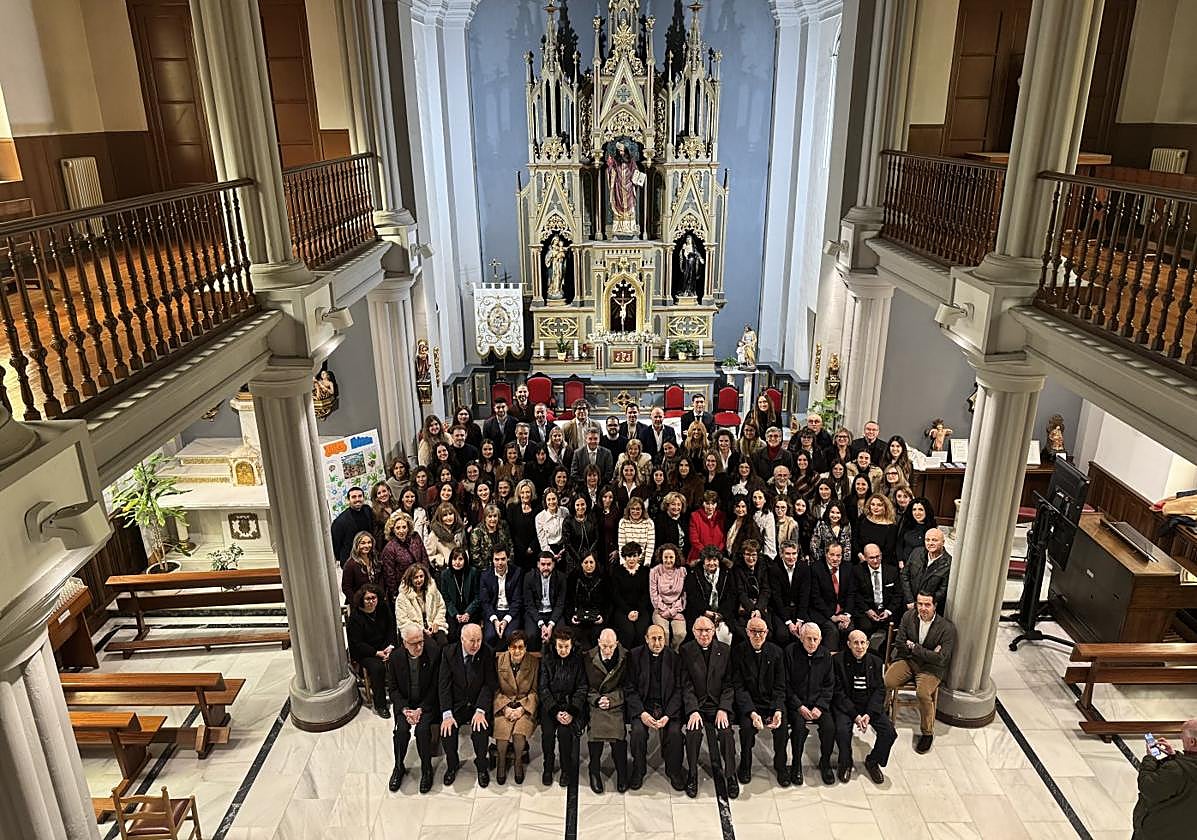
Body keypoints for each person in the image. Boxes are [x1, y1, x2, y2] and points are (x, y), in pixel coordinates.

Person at [884, 591, 956, 754]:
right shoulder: (908, 616)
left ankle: (927, 733)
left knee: (923, 693)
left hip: (930, 668)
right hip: (908, 660)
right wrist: (928, 652)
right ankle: (883, 710)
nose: (922, 608)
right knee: (887, 681)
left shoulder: (946, 628)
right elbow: (900, 643)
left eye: (927, 604)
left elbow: (941, 659)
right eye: (920, 604)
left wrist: (914, 647)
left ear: (934, 606)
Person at [680, 616, 739, 799]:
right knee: (693, 732)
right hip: (697, 705)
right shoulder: (686, 651)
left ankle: (730, 775)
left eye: (707, 630)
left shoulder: (725, 650)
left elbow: (729, 685)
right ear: (693, 631)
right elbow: (685, 684)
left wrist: (723, 708)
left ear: (714, 631)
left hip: (717, 705)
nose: (704, 634)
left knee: (726, 733)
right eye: (700, 630)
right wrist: (693, 710)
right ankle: (692, 775)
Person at [625, 624, 686, 790]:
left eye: (661, 638)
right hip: (644, 706)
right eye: (653, 638)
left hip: (667, 707)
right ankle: (639, 770)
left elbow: (679, 690)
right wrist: (642, 713)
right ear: (646, 639)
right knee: (637, 732)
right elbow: (629, 688)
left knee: (674, 733)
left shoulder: (674, 658)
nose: (658, 642)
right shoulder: (635, 656)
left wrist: (668, 715)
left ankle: (674, 771)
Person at [833, 629, 896, 784]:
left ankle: (873, 761)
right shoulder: (838, 661)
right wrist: (855, 715)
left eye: (862, 642)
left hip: (868, 706)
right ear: (848, 644)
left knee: (889, 732)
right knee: (841, 730)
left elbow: (880, 689)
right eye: (855, 642)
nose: (859, 646)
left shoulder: (875, 661)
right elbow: (838, 692)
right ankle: (845, 762)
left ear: (868, 644)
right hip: (847, 706)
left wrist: (869, 714)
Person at [438, 623, 496, 787]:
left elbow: (489, 684)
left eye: (479, 640)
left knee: (481, 729)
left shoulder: (487, 652)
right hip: (457, 704)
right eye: (471, 641)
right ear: (462, 639)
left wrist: (481, 710)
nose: (476, 645)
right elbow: (444, 686)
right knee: (447, 731)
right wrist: (447, 714)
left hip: (477, 703)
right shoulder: (448, 653)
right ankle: (452, 765)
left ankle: (481, 765)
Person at [732, 616, 788, 786]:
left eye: (761, 632)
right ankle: (745, 765)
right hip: (750, 704)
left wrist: (778, 710)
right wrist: (751, 712)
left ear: (767, 633)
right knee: (746, 730)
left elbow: (780, 686)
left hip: (771, 704)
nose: (757, 636)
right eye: (754, 632)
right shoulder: (738, 652)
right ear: (747, 632)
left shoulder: (777, 652)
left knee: (782, 728)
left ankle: (781, 766)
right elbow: (738, 687)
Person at [388, 624, 441, 793]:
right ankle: (398, 766)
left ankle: (426, 769)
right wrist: (404, 709)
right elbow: (393, 689)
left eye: (421, 642)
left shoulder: (433, 654)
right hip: (405, 704)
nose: (419, 647)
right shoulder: (395, 658)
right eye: (414, 643)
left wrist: (420, 710)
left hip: (427, 703)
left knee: (422, 731)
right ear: (404, 643)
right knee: (401, 731)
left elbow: (436, 687)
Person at [784, 622, 836, 786]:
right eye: (808, 639)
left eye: (815, 639)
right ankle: (796, 764)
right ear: (801, 637)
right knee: (798, 728)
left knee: (829, 728)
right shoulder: (790, 652)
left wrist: (820, 706)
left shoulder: (826, 655)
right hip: (796, 704)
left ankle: (825, 762)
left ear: (820, 640)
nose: (812, 643)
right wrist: (799, 706)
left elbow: (829, 685)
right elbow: (785, 684)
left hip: (818, 704)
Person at [538, 627, 588, 787]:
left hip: (570, 705)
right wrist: (554, 710)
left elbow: (582, 687)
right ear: (555, 644)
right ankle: (548, 765)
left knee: (566, 733)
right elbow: (543, 688)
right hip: (551, 705)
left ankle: (566, 768)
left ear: (572, 645)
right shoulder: (547, 658)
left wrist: (571, 711)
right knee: (547, 733)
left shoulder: (578, 660)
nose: (563, 650)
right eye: (560, 646)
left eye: (566, 646)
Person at [1132, 719, 1197, 840]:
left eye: (1182, 735)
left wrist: (1149, 758)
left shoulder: (1177, 770)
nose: (1181, 738)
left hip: (1160, 832)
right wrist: (1174, 757)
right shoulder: (1179, 768)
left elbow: (1148, 787)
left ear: (1192, 742)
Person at [584, 629, 629, 793]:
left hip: (616, 702)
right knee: (595, 733)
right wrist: (596, 699)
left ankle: (622, 771)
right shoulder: (588, 658)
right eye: (604, 646)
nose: (608, 650)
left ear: (616, 644)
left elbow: (628, 686)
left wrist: (613, 699)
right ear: (598, 642)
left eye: (611, 646)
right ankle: (594, 770)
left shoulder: (625, 657)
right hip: (596, 701)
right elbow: (585, 686)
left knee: (618, 734)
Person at [493, 630, 539, 785]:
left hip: (524, 705)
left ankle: (518, 762)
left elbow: (534, 691)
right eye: (513, 647)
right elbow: (495, 689)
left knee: (519, 733)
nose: (517, 651)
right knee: (502, 732)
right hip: (504, 704)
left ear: (525, 648)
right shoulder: (499, 661)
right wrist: (504, 708)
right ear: (508, 648)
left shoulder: (533, 663)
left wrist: (522, 709)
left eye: (520, 647)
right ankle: (501, 762)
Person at [346, 583, 396, 718]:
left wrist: (389, 647)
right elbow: (357, 643)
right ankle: (380, 705)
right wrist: (376, 653)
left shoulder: (383, 608)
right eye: (367, 599)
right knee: (377, 667)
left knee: (399, 658)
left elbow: (391, 628)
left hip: (384, 646)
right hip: (365, 651)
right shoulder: (356, 617)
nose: (371, 601)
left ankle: (398, 696)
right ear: (362, 600)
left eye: (373, 598)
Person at [852, 543, 903, 648]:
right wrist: (868, 610)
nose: (875, 561)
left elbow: (898, 594)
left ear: (881, 555)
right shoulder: (857, 571)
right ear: (865, 558)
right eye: (871, 558)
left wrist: (888, 611)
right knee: (863, 628)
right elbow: (855, 595)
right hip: (867, 611)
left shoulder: (892, 571)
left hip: (887, 610)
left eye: (877, 557)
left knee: (897, 630)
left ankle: (882, 654)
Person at [684, 546, 736, 645]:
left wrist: (720, 614)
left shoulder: (727, 573)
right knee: (701, 633)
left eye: (714, 560)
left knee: (725, 634)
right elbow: (693, 596)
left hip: (722, 615)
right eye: (708, 560)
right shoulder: (693, 573)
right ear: (703, 561)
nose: (711, 563)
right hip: (701, 613)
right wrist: (705, 611)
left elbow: (731, 596)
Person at [809, 543, 855, 650]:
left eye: (838, 555)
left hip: (842, 612)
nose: (835, 559)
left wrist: (847, 616)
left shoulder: (848, 568)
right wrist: (832, 616)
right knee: (832, 631)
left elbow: (851, 594)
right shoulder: (816, 568)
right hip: (823, 613)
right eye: (832, 555)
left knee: (849, 630)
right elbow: (816, 598)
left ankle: (846, 662)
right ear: (826, 554)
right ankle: (831, 662)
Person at [380, 512, 431, 602]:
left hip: (422, 583)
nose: (401, 531)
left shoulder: (415, 537)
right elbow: (389, 575)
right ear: (392, 529)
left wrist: (425, 578)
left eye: (404, 527)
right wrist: (396, 594)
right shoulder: (389, 548)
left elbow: (424, 558)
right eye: (398, 528)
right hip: (404, 589)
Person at [479, 547, 524, 650]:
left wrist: (505, 620)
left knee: (510, 636)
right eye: (497, 559)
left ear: (508, 558)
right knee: (489, 636)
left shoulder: (517, 572)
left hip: (511, 612)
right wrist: (495, 620)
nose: (500, 563)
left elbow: (517, 600)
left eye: (503, 559)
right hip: (493, 612)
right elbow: (485, 602)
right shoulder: (485, 575)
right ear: (492, 560)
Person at [522, 551, 567, 652]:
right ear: (538, 564)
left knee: (561, 635)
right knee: (531, 635)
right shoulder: (529, 577)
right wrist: (542, 625)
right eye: (543, 564)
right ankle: (534, 663)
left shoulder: (561, 578)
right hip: (535, 613)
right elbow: (529, 605)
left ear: (553, 564)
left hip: (554, 613)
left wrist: (550, 626)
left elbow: (560, 604)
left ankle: (557, 662)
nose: (546, 567)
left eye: (549, 564)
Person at [395, 564, 449, 647]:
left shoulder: (433, 591)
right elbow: (402, 620)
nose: (419, 580)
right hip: (416, 630)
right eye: (416, 577)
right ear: (410, 579)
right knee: (431, 646)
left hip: (434, 625)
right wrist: (422, 630)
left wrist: (436, 622)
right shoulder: (402, 597)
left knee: (443, 642)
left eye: (421, 576)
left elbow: (441, 607)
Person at [610, 542, 651, 648]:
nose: (631, 559)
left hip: (640, 609)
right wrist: (628, 611)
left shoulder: (644, 571)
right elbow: (615, 595)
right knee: (628, 632)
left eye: (634, 556)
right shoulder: (617, 571)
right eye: (629, 556)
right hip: (623, 609)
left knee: (641, 631)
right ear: (624, 557)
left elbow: (646, 594)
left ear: (639, 556)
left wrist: (638, 611)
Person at [900, 528, 952, 611]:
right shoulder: (916, 552)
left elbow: (942, 591)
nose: (930, 543)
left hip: (929, 608)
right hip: (909, 604)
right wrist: (910, 600)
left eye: (934, 540)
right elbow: (904, 575)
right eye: (927, 540)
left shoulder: (949, 564)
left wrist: (921, 604)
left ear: (943, 542)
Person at [769, 541, 810, 645]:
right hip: (781, 610)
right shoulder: (774, 569)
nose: (791, 557)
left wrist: (800, 620)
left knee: (807, 633)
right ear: (781, 554)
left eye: (794, 553)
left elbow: (804, 595)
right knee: (782, 635)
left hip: (799, 610)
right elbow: (776, 598)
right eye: (787, 553)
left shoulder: (804, 567)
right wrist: (789, 623)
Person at [649, 543, 688, 650]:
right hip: (660, 608)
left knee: (681, 633)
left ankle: (674, 651)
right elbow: (654, 594)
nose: (668, 560)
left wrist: (673, 610)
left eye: (671, 557)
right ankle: (665, 653)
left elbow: (683, 594)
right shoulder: (654, 571)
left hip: (677, 608)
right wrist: (664, 609)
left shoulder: (682, 571)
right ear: (661, 557)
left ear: (676, 558)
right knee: (664, 633)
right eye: (665, 557)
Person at [567, 553, 610, 649]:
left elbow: (608, 600)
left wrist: (603, 616)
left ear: (595, 563)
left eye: (591, 562)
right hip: (578, 616)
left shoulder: (603, 577)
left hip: (597, 616)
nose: (589, 565)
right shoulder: (574, 577)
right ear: (581, 564)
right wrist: (571, 616)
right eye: (585, 562)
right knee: (576, 635)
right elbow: (569, 599)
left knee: (597, 635)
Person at [731, 541, 771, 642]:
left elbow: (765, 590)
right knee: (742, 634)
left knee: (769, 633)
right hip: (744, 607)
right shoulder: (737, 568)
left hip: (761, 606)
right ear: (743, 555)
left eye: (753, 555)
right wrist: (752, 609)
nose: (751, 558)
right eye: (747, 554)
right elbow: (740, 592)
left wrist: (758, 609)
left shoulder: (763, 567)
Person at [440, 547, 480, 643]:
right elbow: (446, 598)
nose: (457, 562)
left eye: (460, 559)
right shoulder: (445, 574)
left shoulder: (473, 572)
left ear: (465, 560)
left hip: (470, 611)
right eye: (454, 559)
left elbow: (477, 597)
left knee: (470, 634)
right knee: (453, 635)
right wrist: (456, 614)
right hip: (454, 612)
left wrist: (468, 613)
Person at [331, 487, 374, 566]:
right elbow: (336, 546)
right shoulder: (339, 522)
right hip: (350, 562)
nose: (357, 499)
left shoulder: (368, 510)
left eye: (360, 496)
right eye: (354, 497)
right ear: (348, 500)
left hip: (368, 557)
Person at [469, 505, 513, 572]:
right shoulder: (477, 532)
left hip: (504, 566)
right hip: (486, 569)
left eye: (495, 516)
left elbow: (510, 546)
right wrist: (489, 570)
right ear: (485, 518)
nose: (493, 519)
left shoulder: (504, 526)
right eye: (490, 516)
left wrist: (508, 563)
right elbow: (475, 556)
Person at [424, 502, 466, 571]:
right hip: (445, 570)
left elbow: (465, 548)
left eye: (450, 514)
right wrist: (441, 560)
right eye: (445, 515)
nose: (448, 517)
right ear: (440, 517)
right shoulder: (434, 535)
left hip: (461, 568)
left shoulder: (460, 530)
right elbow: (428, 556)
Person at [896, 497, 937, 565]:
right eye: (914, 509)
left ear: (926, 511)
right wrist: (900, 560)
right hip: (903, 564)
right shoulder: (907, 524)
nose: (917, 513)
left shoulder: (932, 529)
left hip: (920, 565)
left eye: (920, 509)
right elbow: (899, 543)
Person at [341, 532, 379, 604]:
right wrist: (357, 602)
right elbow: (346, 588)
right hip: (359, 605)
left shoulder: (374, 560)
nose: (367, 545)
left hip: (374, 602)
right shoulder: (350, 565)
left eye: (369, 542)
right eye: (363, 543)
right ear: (357, 545)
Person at [617, 496, 655, 562]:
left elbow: (650, 546)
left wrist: (647, 563)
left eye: (638, 509)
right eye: (633, 509)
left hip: (642, 561)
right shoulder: (623, 522)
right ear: (629, 509)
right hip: (627, 561)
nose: (635, 511)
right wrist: (623, 564)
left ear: (642, 510)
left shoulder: (649, 523)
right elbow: (621, 545)